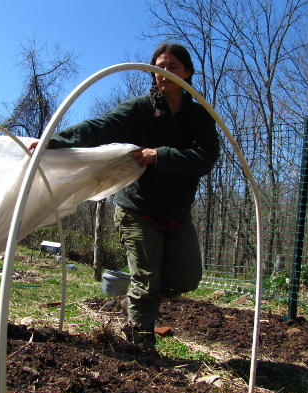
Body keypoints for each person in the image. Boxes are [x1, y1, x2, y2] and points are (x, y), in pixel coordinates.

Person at [30, 43, 220, 353]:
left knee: (187, 279)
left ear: (188, 72)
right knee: (146, 278)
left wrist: (159, 155)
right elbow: (100, 127)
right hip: (139, 209)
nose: (166, 72)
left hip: (177, 213)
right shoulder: (141, 109)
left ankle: (136, 305)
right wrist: (55, 141)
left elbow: (206, 158)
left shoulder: (198, 115)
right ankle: (141, 344)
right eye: (160, 66)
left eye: (174, 66)